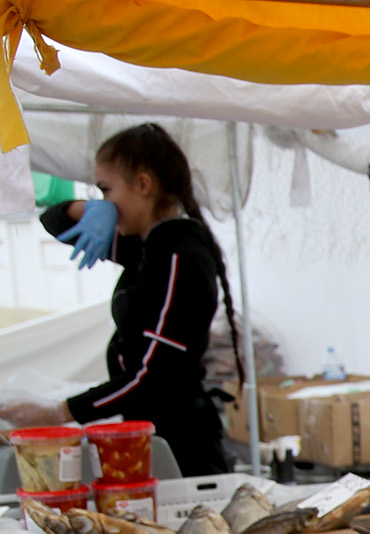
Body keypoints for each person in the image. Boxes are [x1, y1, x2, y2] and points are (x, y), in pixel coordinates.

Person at [2, 123, 238, 476]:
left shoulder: (178, 259)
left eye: (106, 190)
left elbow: (150, 376)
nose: (104, 202)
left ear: (143, 185)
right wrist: (91, 209)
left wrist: (60, 413)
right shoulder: (147, 247)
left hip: (182, 445)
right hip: (151, 433)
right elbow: (53, 222)